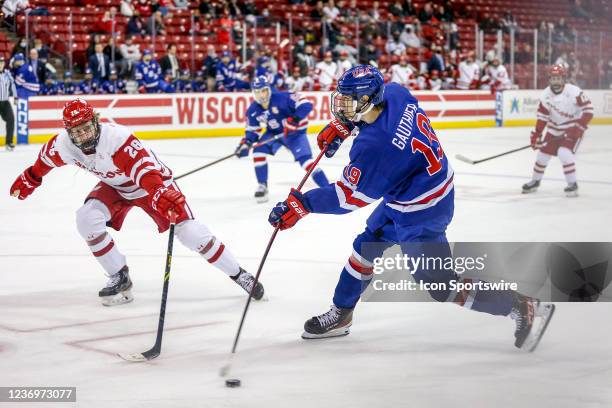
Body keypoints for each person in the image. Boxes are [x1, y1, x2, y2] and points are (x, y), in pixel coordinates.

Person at [266, 65, 555, 351]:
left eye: (349, 100)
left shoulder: (375, 147)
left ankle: (522, 306)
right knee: (365, 247)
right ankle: (341, 313)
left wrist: (302, 204)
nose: (341, 105)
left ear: (367, 100)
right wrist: (351, 124)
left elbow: (347, 198)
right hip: (416, 189)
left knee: (441, 285)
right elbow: (382, 123)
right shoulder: (394, 93)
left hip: (422, 210)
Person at [9, 99, 265, 306]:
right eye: (77, 131)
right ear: (68, 132)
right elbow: (45, 161)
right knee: (86, 218)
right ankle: (119, 275)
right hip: (116, 186)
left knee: (190, 233)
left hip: (151, 186)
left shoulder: (117, 138)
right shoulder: (63, 145)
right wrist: (31, 178)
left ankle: (240, 274)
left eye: (87, 126)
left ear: (95, 120)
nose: (84, 134)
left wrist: (158, 194)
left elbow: (144, 172)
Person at [235, 76, 330, 203]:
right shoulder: (253, 110)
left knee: (306, 162)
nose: (261, 95)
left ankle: (327, 188)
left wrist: (295, 119)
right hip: (274, 134)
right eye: (257, 92)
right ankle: (262, 185)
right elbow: (253, 130)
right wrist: (246, 144)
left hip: (294, 134)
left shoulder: (283, 98)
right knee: (258, 151)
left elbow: (306, 104)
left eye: (263, 91)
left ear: (268, 90)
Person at [522, 65, 593, 197]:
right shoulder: (545, 95)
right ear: (549, 79)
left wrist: (579, 127)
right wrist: (537, 134)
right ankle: (535, 181)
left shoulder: (574, 91)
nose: (555, 81)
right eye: (553, 78)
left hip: (572, 129)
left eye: (558, 78)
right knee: (542, 156)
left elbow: (589, 111)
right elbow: (542, 118)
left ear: (563, 78)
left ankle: (572, 184)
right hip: (554, 130)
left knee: (564, 153)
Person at [0, 55, 17, 151]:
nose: (1, 64)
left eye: (2, 62)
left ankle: (9, 142)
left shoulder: (7, 73)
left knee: (11, 119)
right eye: (0, 63)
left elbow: (13, 84)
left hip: (5, 101)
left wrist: (15, 96)